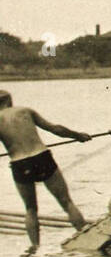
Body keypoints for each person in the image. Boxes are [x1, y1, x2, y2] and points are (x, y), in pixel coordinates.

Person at [0, 90, 90, 244]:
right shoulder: (25, 111)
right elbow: (56, 129)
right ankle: (87, 237)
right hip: (42, 157)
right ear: (8, 101)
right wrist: (78, 135)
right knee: (66, 202)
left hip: (19, 162)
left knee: (30, 209)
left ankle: (34, 249)